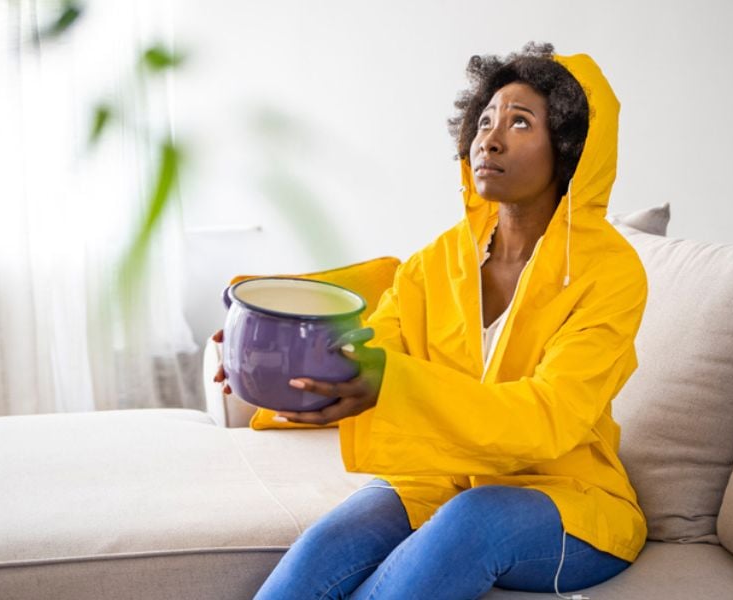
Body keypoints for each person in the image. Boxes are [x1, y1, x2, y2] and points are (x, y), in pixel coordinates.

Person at [220, 42, 648, 599]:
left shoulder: (611, 272)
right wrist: (270, 354)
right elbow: (374, 349)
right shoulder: (435, 264)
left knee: (476, 520)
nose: (490, 139)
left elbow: (547, 420)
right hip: (441, 481)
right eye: (486, 120)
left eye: (520, 123)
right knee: (329, 544)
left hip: (569, 502)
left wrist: (390, 380)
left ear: (569, 147)